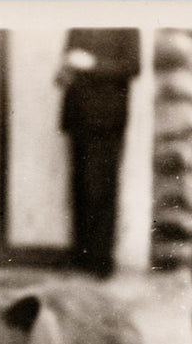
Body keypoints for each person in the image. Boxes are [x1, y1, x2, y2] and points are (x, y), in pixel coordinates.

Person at [56, 28, 140, 278]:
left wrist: (91, 64)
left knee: (101, 189)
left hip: (106, 120)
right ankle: (80, 257)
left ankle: (101, 262)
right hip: (78, 117)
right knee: (80, 188)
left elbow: (133, 66)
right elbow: (68, 61)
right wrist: (64, 72)